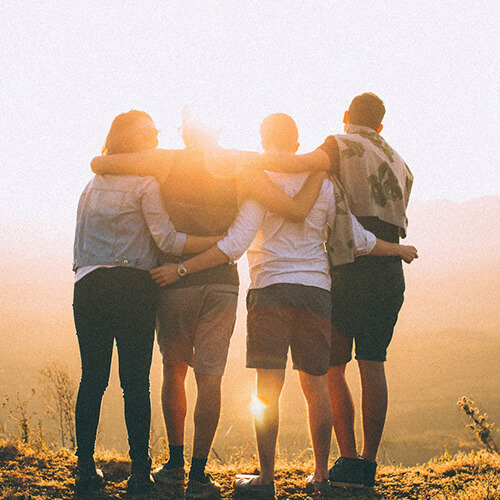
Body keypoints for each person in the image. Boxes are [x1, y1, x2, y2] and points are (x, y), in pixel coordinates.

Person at [150, 113, 417, 498]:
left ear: (263, 140)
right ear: (296, 144)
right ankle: (321, 476)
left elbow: (235, 245)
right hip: (316, 293)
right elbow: (358, 239)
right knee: (316, 387)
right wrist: (399, 249)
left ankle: (266, 478)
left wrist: (182, 268)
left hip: (270, 290)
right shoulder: (324, 184)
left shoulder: (259, 181)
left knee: (267, 390)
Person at [89, 107, 326, 500]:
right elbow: (290, 204)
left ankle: (175, 463)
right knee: (210, 377)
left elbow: (103, 162)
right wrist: (319, 167)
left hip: (174, 280)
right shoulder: (240, 164)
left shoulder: (166, 160)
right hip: (222, 283)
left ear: (185, 133)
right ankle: (200, 474)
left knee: (174, 370)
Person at [235, 94, 414, 489]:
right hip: (387, 269)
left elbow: (295, 165)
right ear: (381, 126)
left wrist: (241, 161)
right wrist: (399, 249)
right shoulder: (401, 163)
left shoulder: (339, 144)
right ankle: (365, 467)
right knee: (374, 363)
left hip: (347, 266)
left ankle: (344, 460)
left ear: (347, 117)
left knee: (332, 369)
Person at [72, 110, 221, 495]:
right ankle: (140, 473)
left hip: (88, 285)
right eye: (149, 132)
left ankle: (85, 469)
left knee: (92, 379)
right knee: (135, 383)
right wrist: (217, 243)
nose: (156, 136)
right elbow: (169, 242)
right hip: (133, 286)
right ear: (131, 140)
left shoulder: (92, 184)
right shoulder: (145, 183)